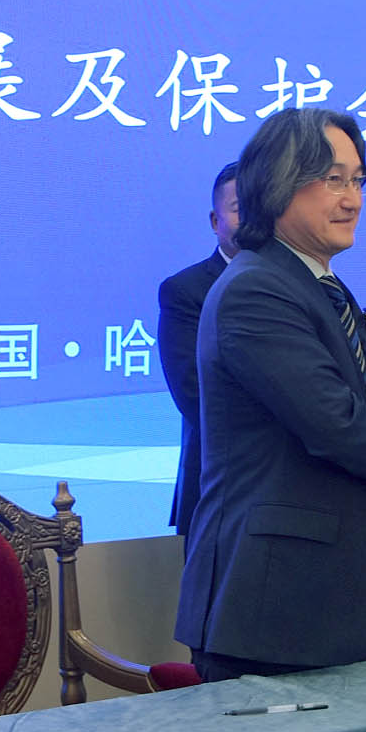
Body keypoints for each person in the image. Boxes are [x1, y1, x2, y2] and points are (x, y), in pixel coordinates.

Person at [173, 108, 366, 681]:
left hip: (327, 599)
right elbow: (332, 422)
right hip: (273, 608)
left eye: (358, 180)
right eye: (333, 180)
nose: (353, 199)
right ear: (277, 185)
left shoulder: (317, 284)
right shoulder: (256, 289)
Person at [157, 161, 239, 546]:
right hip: (218, 489)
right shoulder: (185, 291)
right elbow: (194, 395)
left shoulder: (303, 286)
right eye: (239, 208)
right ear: (215, 220)